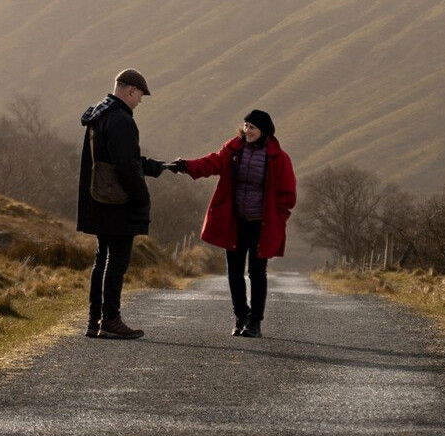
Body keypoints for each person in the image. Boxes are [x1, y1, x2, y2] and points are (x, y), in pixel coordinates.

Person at [168, 109, 296, 337]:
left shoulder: (279, 158)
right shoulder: (234, 149)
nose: (248, 131)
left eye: (253, 127)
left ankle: (255, 323)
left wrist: (278, 219)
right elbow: (212, 163)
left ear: (264, 131)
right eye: (246, 126)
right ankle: (241, 316)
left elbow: (287, 195)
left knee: (257, 272)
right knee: (234, 272)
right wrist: (186, 166)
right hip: (235, 222)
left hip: (261, 225)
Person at [76, 69, 168, 339]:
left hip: (98, 198)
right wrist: (141, 198)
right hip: (117, 202)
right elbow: (126, 166)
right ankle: (111, 320)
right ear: (131, 90)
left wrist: (154, 167)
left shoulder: (99, 115)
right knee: (117, 260)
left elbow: (115, 158)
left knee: (102, 258)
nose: (140, 101)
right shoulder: (121, 120)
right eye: (140, 95)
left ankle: (95, 320)